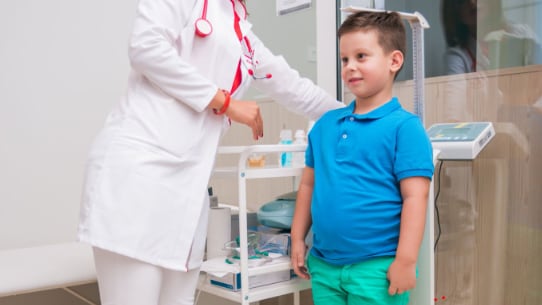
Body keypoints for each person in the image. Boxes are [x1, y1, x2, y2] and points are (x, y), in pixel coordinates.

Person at [77, 1, 343, 304]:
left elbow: (298, 90)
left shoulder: (243, 35)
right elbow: (145, 47)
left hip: (188, 192)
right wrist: (225, 102)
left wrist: (359, 115)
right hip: (139, 175)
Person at [290, 10, 434, 305]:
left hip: (376, 269)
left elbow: (415, 198)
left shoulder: (404, 128)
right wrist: (296, 238)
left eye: (361, 56)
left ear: (394, 61)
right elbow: (308, 186)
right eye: (345, 59)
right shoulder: (326, 125)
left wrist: (406, 261)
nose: (350, 67)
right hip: (324, 265)